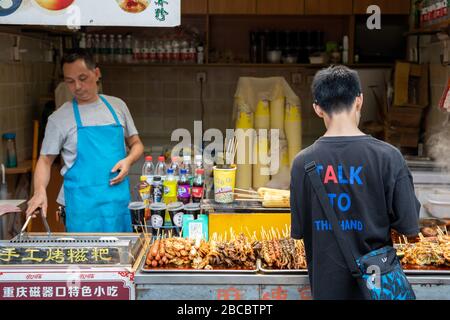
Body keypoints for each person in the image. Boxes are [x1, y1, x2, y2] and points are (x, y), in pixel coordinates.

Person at [290, 65, 420, 300]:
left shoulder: (302, 163)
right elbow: (408, 225)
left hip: (326, 290)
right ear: (359, 100)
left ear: (317, 108)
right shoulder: (389, 157)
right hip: (378, 288)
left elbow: (299, 230)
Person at [26, 49, 144, 233]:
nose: (77, 87)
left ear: (96, 73)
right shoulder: (59, 118)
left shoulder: (117, 106)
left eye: (83, 78)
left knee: (121, 258)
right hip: (82, 209)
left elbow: (136, 144)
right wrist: (39, 190)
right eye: (70, 81)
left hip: (117, 204)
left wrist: (128, 161)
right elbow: (45, 160)